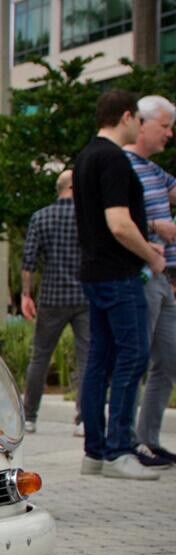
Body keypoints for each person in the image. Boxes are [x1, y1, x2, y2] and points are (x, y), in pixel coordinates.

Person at [73, 89, 166, 480]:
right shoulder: (113, 159)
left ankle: (95, 452)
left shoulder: (85, 157)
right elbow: (119, 222)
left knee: (100, 361)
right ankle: (118, 450)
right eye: (140, 121)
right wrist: (151, 254)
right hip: (118, 275)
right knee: (133, 357)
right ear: (127, 117)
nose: (142, 128)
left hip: (95, 272)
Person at [20, 168, 89, 435]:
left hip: (52, 297)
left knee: (40, 357)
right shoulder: (89, 217)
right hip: (85, 296)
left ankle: (29, 417)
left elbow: (29, 261)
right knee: (87, 358)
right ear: (73, 186)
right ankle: (83, 420)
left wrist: (27, 294)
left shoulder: (41, 217)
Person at [127, 95, 176, 468]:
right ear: (142, 123)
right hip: (141, 276)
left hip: (165, 279)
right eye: (165, 126)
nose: (170, 134)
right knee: (137, 359)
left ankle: (149, 440)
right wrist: (154, 227)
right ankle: (127, 442)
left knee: (168, 360)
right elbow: (112, 220)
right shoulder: (122, 166)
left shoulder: (156, 171)